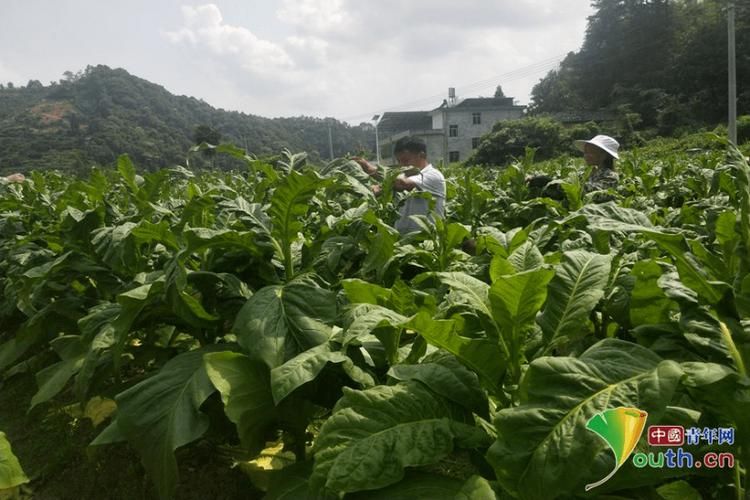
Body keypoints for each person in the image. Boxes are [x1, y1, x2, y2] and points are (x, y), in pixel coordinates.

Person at [354, 136, 445, 235]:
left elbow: (402, 183)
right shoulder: (406, 175)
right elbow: (392, 181)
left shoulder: (433, 175)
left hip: (426, 241)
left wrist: (368, 167)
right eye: (399, 161)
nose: (402, 165)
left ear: (421, 155)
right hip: (402, 241)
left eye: (405, 160)